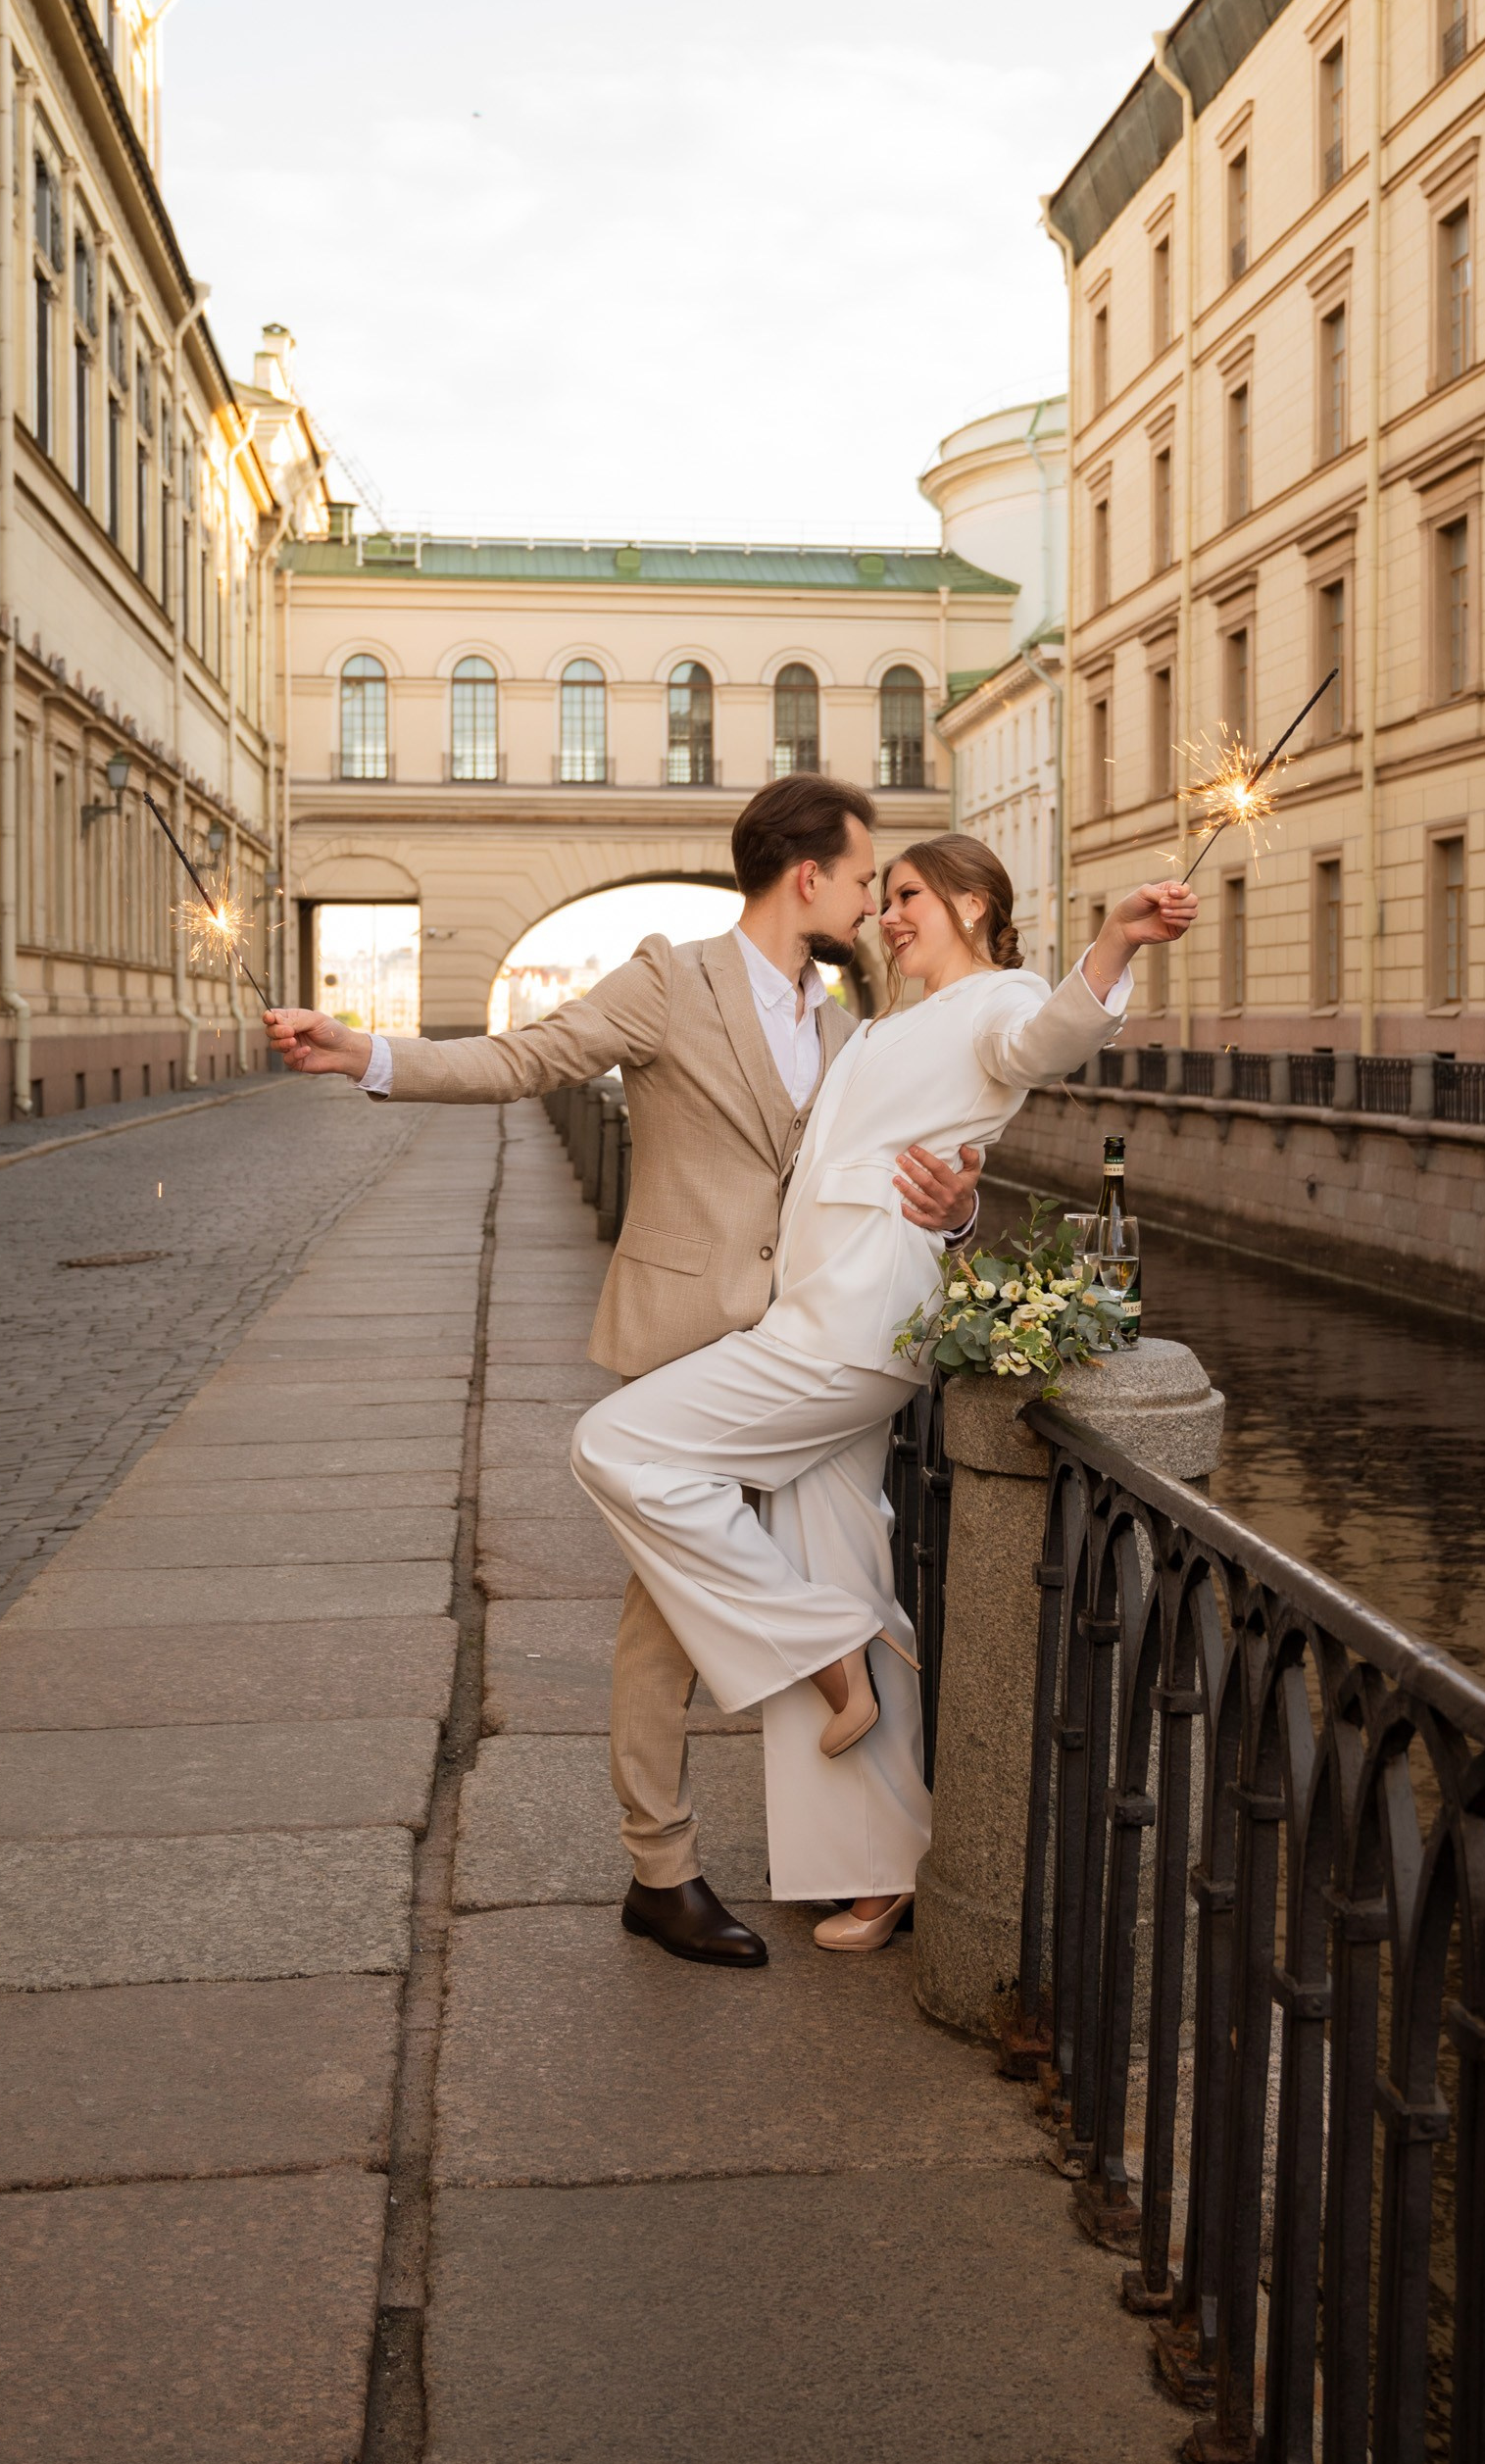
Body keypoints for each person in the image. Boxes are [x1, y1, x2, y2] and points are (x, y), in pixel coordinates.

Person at [261, 776, 983, 1968]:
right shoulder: (669, 977)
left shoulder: (857, 1028)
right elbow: (523, 1057)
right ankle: (663, 1867)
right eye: (861, 876)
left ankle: (853, 1858)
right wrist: (366, 1053)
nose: (870, 899)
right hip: (691, 1333)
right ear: (807, 875)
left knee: (825, 1558)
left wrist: (956, 1216)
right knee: (661, 1623)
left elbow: (908, 1184)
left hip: (811, 1347)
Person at [569, 835, 1197, 1952]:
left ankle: (816, 1639)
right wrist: (958, 1206)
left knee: (618, 1444)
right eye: (884, 896)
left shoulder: (997, 999)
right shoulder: (880, 1026)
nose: (889, 916)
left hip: (850, 1324)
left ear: (970, 900)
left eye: (907, 896)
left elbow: (1044, 1035)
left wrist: (1109, 944)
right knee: (841, 1555)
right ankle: (878, 1861)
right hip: (825, 1307)